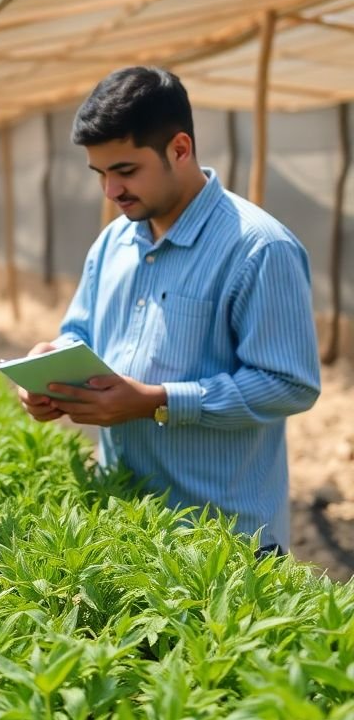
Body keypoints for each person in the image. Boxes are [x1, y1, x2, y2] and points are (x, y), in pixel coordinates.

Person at [18, 66, 320, 556]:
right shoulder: (113, 242)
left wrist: (157, 401)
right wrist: (49, 370)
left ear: (180, 149)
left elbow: (289, 383)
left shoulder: (258, 248)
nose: (111, 191)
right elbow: (80, 334)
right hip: (125, 520)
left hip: (224, 544)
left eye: (125, 171)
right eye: (101, 174)